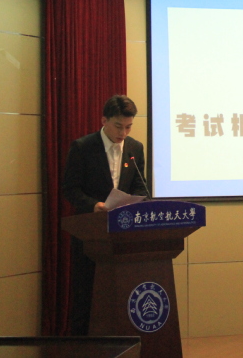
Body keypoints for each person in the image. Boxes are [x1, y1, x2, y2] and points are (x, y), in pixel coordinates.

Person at [62, 95, 148, 335]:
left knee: (120, 293)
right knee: (86, 295)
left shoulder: (135, 148)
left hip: (123, 235)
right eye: (118, 126)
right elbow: (70, 189)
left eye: (128, 127)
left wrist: (135, 202)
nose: (123, 133)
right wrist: (94, 205)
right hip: (90, 234)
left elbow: (140, 186)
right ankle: (82, 346)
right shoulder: (83, 147)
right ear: (104, 120)